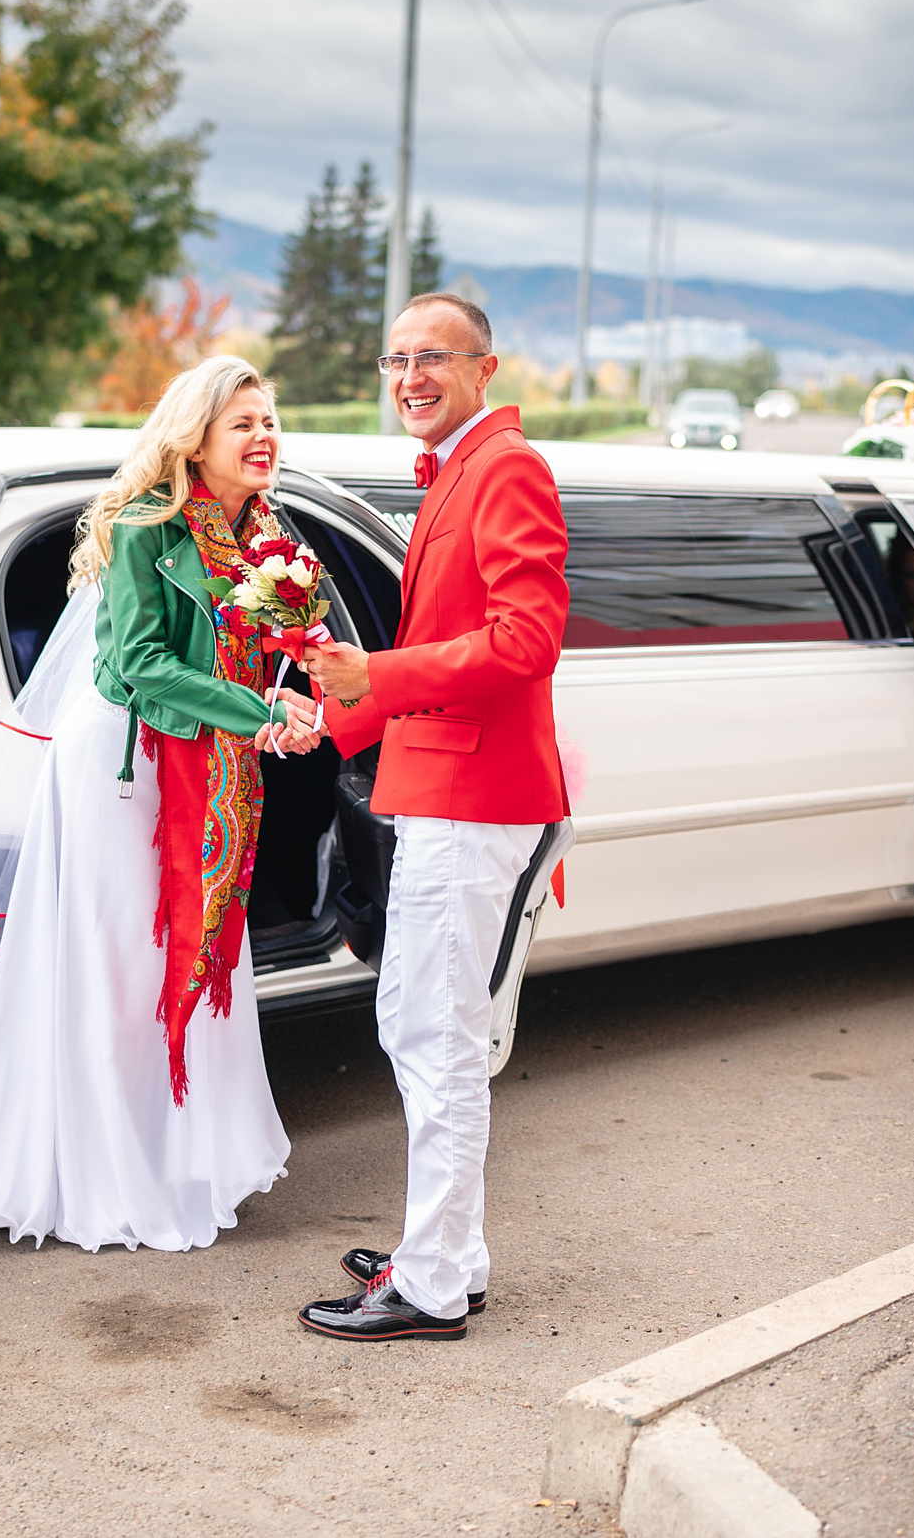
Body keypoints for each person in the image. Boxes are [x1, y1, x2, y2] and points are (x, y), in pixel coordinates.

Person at [0, 355, 321, 1252]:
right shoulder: (143, 525)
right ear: (196, 437)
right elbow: (139, 666)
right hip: (126, 766)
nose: (264, 436)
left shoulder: (268, 531)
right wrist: (259, 711)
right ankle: (108, 1172)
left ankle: (177, 1153)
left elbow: (282, 644)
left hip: (213, 761)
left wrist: (303, 698)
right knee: (121, 964)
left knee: (184, 960)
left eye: (270, 420)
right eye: (245, 424)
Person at [297, 293, 571, 1342]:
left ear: (484, 367)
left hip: (475, 796)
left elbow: (523, 642)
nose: (411, 375)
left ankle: (433, 1283)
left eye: (434, 358)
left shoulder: (506, 467)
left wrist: (373, 670)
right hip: (440, 787)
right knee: (417, 1024)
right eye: (396, 358)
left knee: (436, 1034)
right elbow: (432, 664)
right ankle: (444, 1249)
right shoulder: (454, 467)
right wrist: (322, 716)